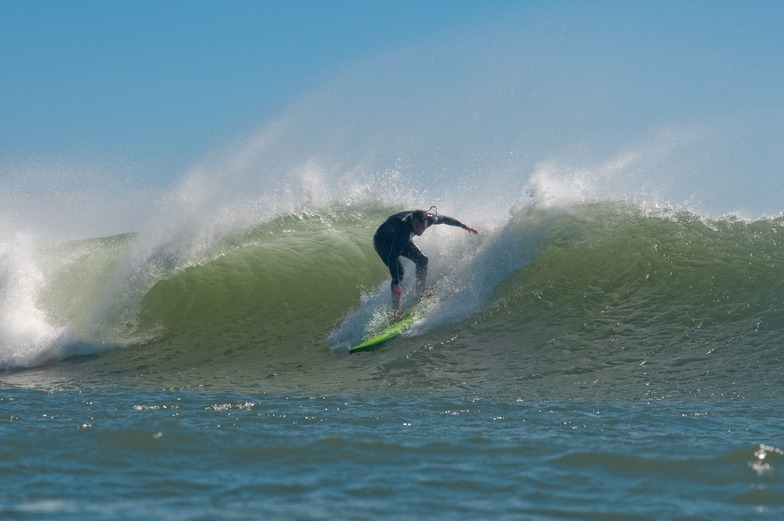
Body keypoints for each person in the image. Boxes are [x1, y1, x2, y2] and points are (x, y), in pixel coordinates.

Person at [373, 209, 478, 312]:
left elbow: (445, 219)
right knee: (399, 271)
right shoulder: (403, 228)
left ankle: (421, 293)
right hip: (382, 241)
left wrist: (464, 226)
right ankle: (396, 310)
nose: (419, 231)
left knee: (422, 260)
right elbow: (392, 257)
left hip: (398, 238)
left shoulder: (430, 219)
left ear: (427, 223)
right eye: (417, 226)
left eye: (422, 227)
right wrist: (396, 282)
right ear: (412, 220)